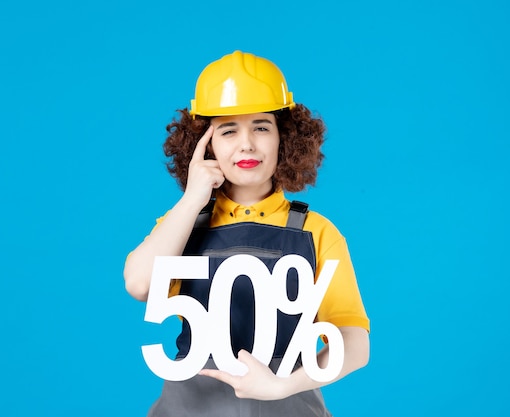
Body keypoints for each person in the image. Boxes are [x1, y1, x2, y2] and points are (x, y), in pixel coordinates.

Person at [124, 50, 370, 416]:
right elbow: (139, 284)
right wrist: (193, 199)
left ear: (284, 139)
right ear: (204, 146)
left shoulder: (316, 233)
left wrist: (283, 385)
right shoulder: (182, 225)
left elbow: (355, 342)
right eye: (228, 130)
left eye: (261, 127)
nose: (247, 144)